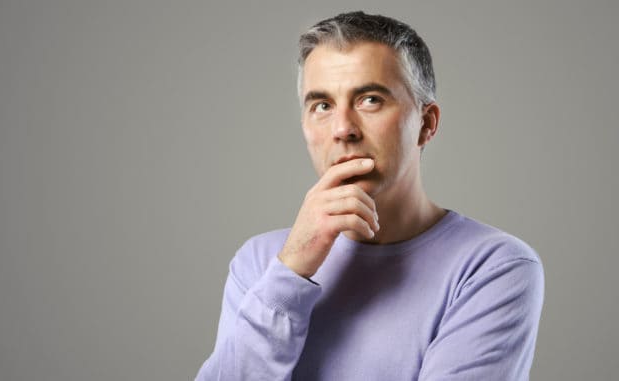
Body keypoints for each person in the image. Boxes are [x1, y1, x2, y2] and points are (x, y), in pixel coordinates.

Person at [196, 11, 544, 381]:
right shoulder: (262, 262)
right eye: (322, 106)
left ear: (426, 124)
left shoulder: (493, 267)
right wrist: (292, 269)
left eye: (370, 100)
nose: (343, 129)